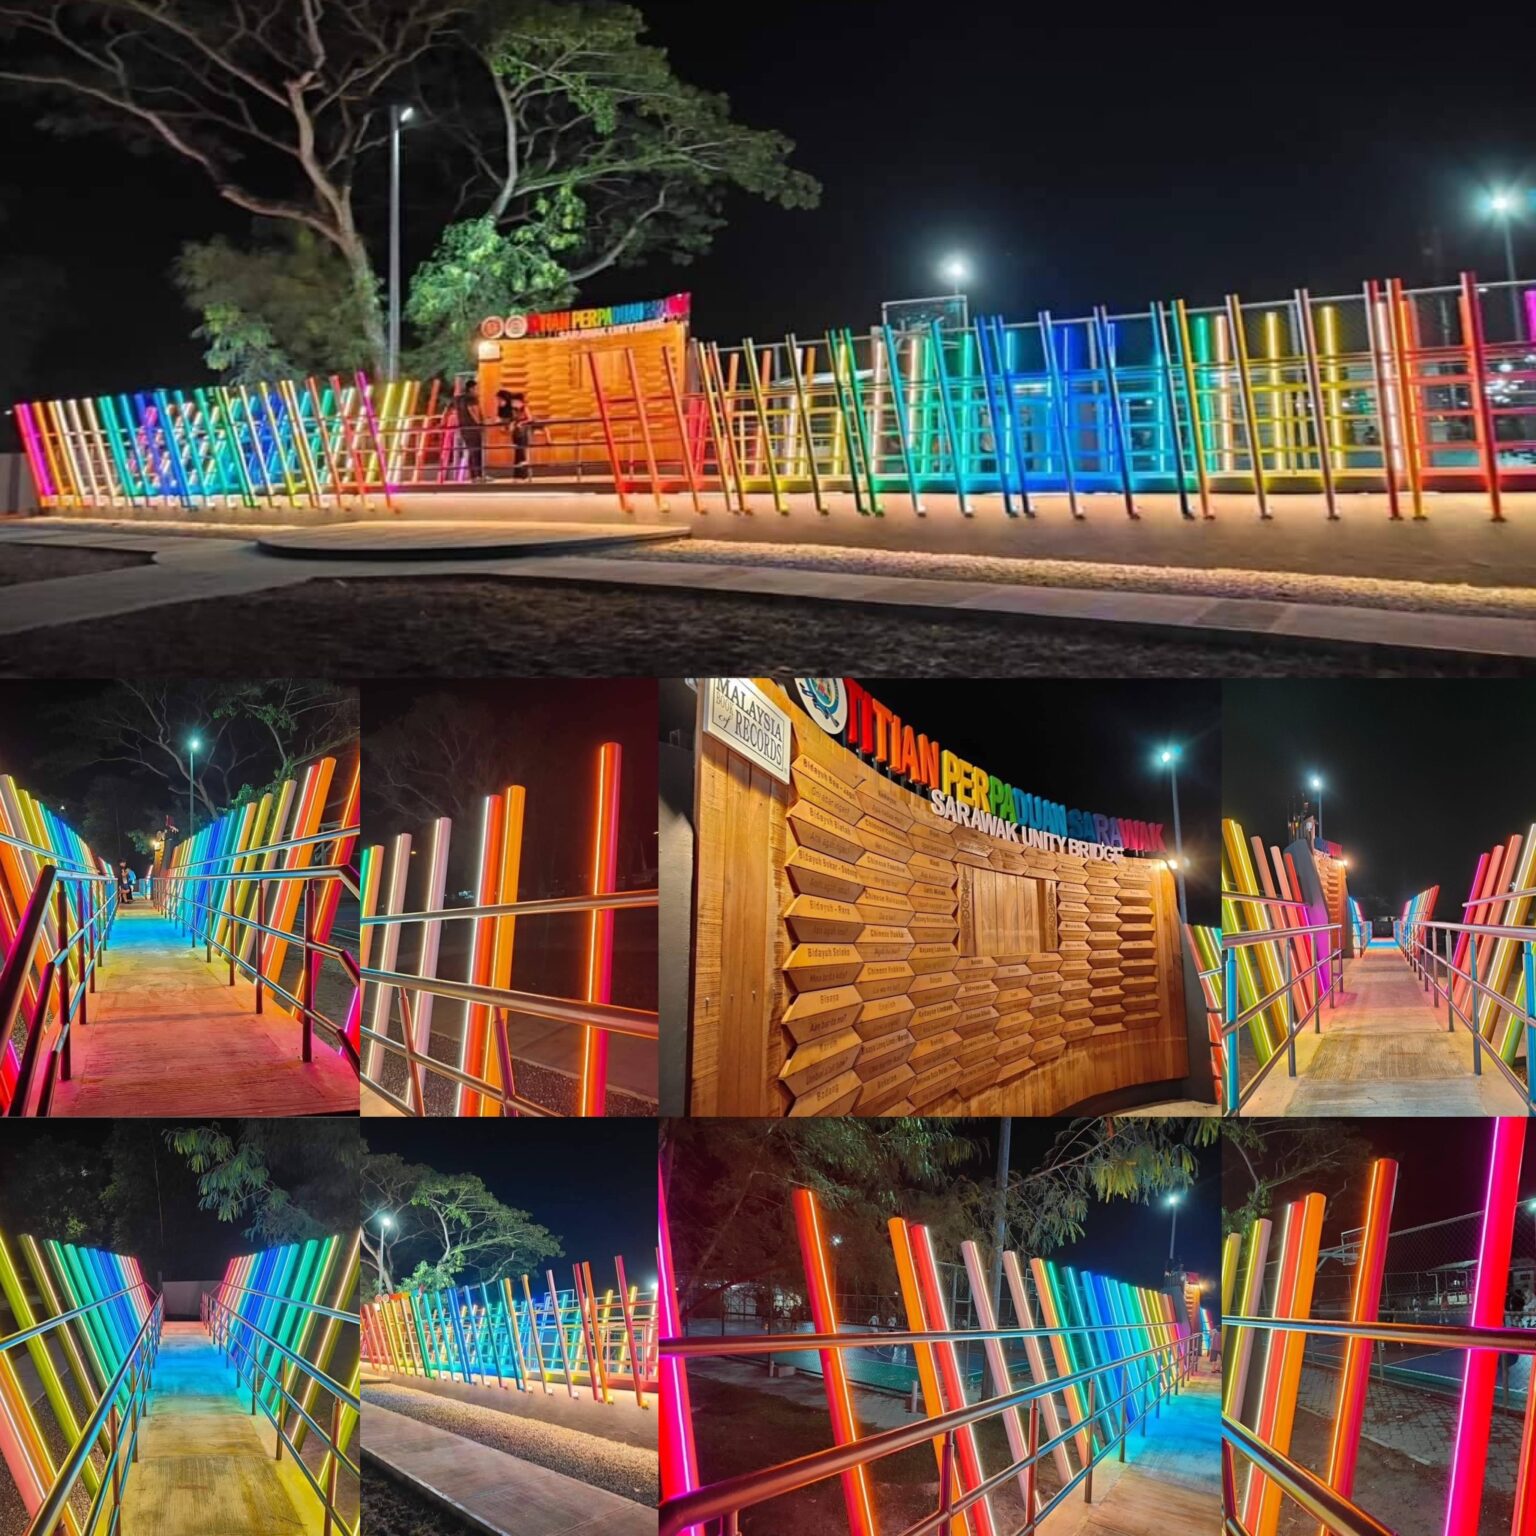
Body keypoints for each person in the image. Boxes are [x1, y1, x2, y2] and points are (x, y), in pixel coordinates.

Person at [451, 380, 484, 481]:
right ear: (472, 388)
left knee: (471, 450)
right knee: (477, 451)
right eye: (477, 388)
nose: (478, 390)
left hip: (463, 427)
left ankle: (473, 475)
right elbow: (472, 410)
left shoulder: (458, 399)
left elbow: (453, 412)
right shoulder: (472, 398)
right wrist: (479, 422)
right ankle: (479, 475)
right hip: (473, 427)